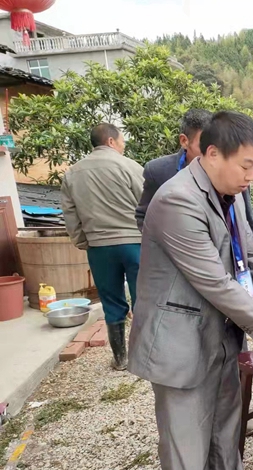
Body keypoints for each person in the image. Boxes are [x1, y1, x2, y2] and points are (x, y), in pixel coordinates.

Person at [128, 111, 253, 470]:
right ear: (212, 154)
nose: (251, 176)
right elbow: (214, 281)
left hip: (223, 335)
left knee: (226, 437)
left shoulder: (233, 193)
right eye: (246, 166)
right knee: (187, 449)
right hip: (181, 343)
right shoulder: (177, 200)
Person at [61, 123, 144, 371]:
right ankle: (144, 358)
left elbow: (70, 213)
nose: (123, 145)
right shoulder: (131, 167)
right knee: (144, 300)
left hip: (99, 247)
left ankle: (120, 359)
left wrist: (82, 241)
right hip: (134, 243)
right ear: (110, 141)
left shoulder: (72, 173)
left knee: (111, 302)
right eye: (122, 141)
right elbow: (147, 204)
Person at [135, 109, 253, 246]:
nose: (211, 153)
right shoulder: (159, 172)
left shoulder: (233, 175)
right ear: (184, 141)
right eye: (203, 145)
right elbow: (144, 216)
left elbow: (247, 221)